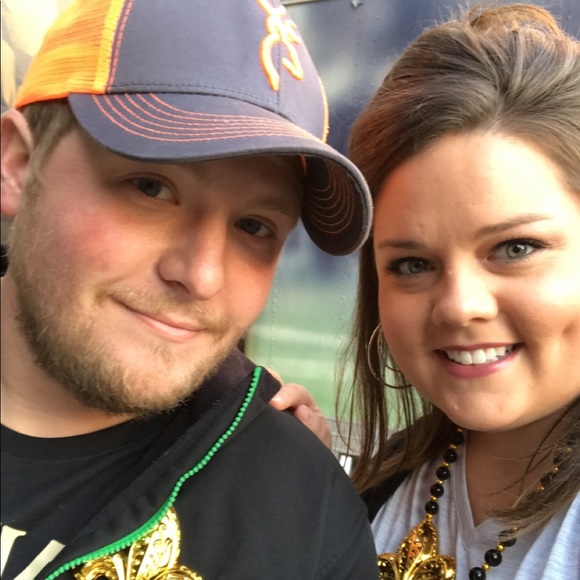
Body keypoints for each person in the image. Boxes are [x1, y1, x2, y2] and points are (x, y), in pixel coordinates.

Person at [0, 0, 380, 578]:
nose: (202, 276)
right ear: (19, 164)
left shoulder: (306, 519)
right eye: (151, 187)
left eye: (254, 226)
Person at [276, 3, 580, 579]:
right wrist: (318, 505)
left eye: (516, 248)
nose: (460, 306)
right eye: (412, 264)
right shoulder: (390, 477)